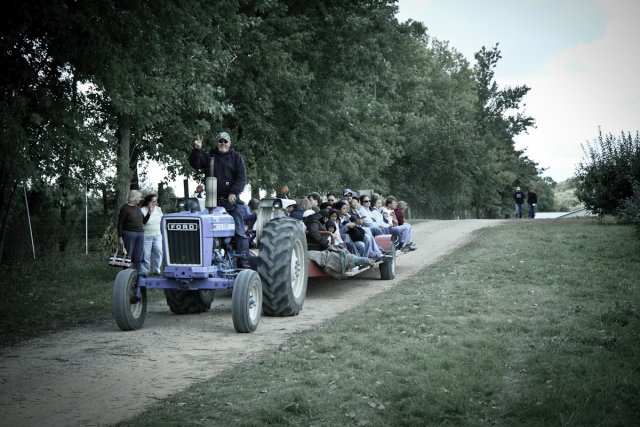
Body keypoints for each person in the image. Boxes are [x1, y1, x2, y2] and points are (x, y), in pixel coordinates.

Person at [189, 131, 249, 261]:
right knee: (202, 229)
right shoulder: (210, 156)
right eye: (220, 141)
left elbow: (242, 178)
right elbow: (196, 164)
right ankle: (204, 259)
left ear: (229, 143)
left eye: (225, 141)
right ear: (217, 143)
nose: (222, 143)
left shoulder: (236, 157)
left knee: (239, 232)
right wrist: (197, 150)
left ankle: (244, 261)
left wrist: (234, 192)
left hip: (231, 202)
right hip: (213, 202)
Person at [117, 189, 145, 272]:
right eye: (139, 197)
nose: (140, 199)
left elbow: (143, 221)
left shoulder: (138, 208)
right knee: (128, 256)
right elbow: (120, 223)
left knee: (138, 256)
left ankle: (139, 276)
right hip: (129, 234)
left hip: (140, 234)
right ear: (135, 198)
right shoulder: (125, 208)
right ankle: (126, 275)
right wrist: (120, 237)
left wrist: (150, 213)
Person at [140, 194, 163, 276]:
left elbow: (162, 221)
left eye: (156, 201)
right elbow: (143, 222)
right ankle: (145, 271)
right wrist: (149, 211)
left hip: (157, 235)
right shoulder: (142, 210)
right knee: (145, 254)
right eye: (153, 201)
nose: (155, 203)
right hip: (146, 235)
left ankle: (156, 270)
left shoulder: (158, 209)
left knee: (158, 252)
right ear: (148, 201)